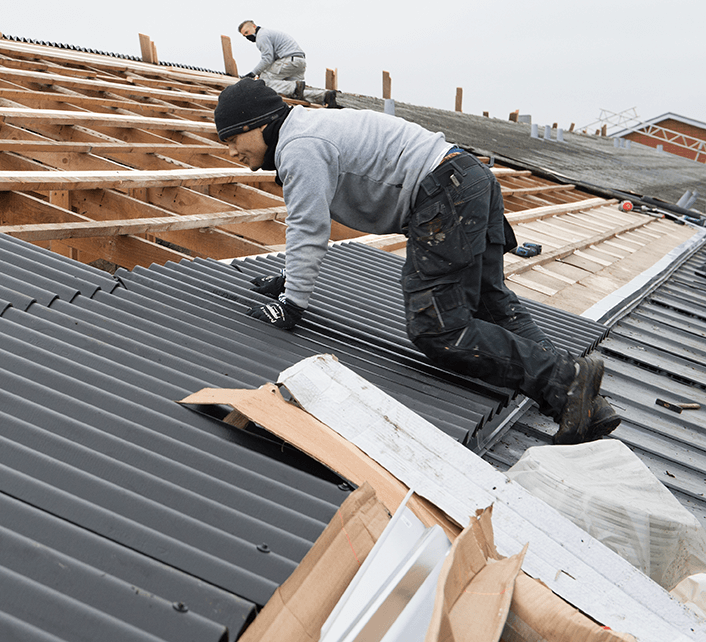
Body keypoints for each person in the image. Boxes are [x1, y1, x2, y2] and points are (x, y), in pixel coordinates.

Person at [214, 78, 618, 445]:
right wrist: (289, 278)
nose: (231, 151)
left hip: (444, 193)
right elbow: (309, 225)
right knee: (489, 302)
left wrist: (291, 302)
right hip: (468, 176)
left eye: (233, 137)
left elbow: (307, 227)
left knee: (438, 329)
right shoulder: (310, 130)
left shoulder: (299, 146)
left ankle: (568, 379)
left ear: (262, 124)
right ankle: (580, 401)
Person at [237, 20, 337, 106]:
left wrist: (252, 74)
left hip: (289, 61)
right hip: (299, 63)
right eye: (244, 35)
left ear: (254, 26)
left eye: (247, 32)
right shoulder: (268, 33)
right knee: (296, 94)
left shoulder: (261, 36)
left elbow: (267, 59)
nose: (247, 36)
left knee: (263, 82)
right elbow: (272, 60)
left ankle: (295, 86)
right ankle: (326, 96)